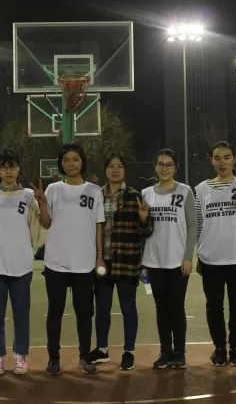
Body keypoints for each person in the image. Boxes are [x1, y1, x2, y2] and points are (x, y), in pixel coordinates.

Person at [32, 143, 105, 375]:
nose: (71, 164)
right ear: (60, 164)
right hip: (56, 262)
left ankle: (84, 356)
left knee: (84, 314)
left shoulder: (94, 190)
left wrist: (99, 257)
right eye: (66, 160)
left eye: (75, 159)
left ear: (82, 161)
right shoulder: (53, 189)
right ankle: (54, 358)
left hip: (84, 263)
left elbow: (98, 226)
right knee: (55, 312)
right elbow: (46, 223)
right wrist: (43, 205)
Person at [0, 148, 42, 375]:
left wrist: (42, 205)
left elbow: (37, 227)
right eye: (4, 167)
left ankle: (20, 356)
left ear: (18, 169)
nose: (8, 171)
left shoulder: (29, 196)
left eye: (12, 166)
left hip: (21, 264)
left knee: (21, 314)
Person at [87, 152, 153, 371]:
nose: (115, 170)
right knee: (102, 308)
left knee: (128, 307)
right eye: (111, 166)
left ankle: (129, 351)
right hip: (102, 261)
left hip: (127, 261)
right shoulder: (97, 195)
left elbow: (146, 231)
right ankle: (102, 349)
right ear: (105, 170)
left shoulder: (134, 196)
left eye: (119, 166)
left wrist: (143, 219)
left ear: (125, 171)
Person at [195, 141, 236, 367]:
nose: (222, 162)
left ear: (235, 159)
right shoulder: (201, 188)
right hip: (211, 258)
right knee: (214, 306)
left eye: (226, 157)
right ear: (211, 160)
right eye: (217, 158)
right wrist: (200, 253)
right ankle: (220, 348)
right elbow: (199, 225)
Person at [140, 148, 197, 370]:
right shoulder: (146, 193)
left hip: (177, 262)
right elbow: (143, 229)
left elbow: (192, 226)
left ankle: (179, 353)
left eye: (169, 164)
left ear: (175, 167)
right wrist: (143, 219)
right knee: (161, 308)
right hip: (153, 261)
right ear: (155, 167)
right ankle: (165, 352)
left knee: (176, 307)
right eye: (161, 164)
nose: (164, 168)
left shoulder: (185, 191)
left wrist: (188, 257)